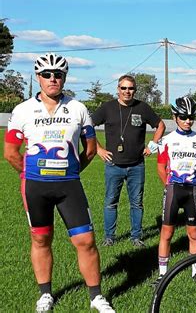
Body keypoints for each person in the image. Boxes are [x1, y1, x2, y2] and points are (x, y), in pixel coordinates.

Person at [3, 53, 114, 312]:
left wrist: (72, 172)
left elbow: (89, 149)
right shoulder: (22, 110)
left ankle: (96, 296)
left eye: (58, 74)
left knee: (85, 240)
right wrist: (30, 174)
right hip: (35, 187)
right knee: (41, 240)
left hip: (69, 186)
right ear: (38, 77)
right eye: (47, 74)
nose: (53, 79)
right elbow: (10, 152)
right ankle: (45, 294)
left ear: (64, 77)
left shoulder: (78, 108)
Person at [91, 75, 165, 247]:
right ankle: (109, 237)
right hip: (113, 165)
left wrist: (152, 145)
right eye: (123, 88)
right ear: (118, 89)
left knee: (137, 203)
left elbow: (160, 125)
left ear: (135, 90)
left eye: (130, 88)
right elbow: (87, 126)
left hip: (136, 165)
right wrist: (98, 149)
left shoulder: (142, 108)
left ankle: (136, 237)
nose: (127, 91)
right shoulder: (107, 108)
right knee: (110, 202)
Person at [153, 96, 196, 286]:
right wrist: (168, 185)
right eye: (183, 117)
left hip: (191, 191)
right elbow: (161, 167)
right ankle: (162, 274)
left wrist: (191, 182)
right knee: (166, 233)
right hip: (174, 190)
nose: (188, 121)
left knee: (194, 233)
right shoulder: (166, 140)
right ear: (175, 116)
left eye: (191, 117)